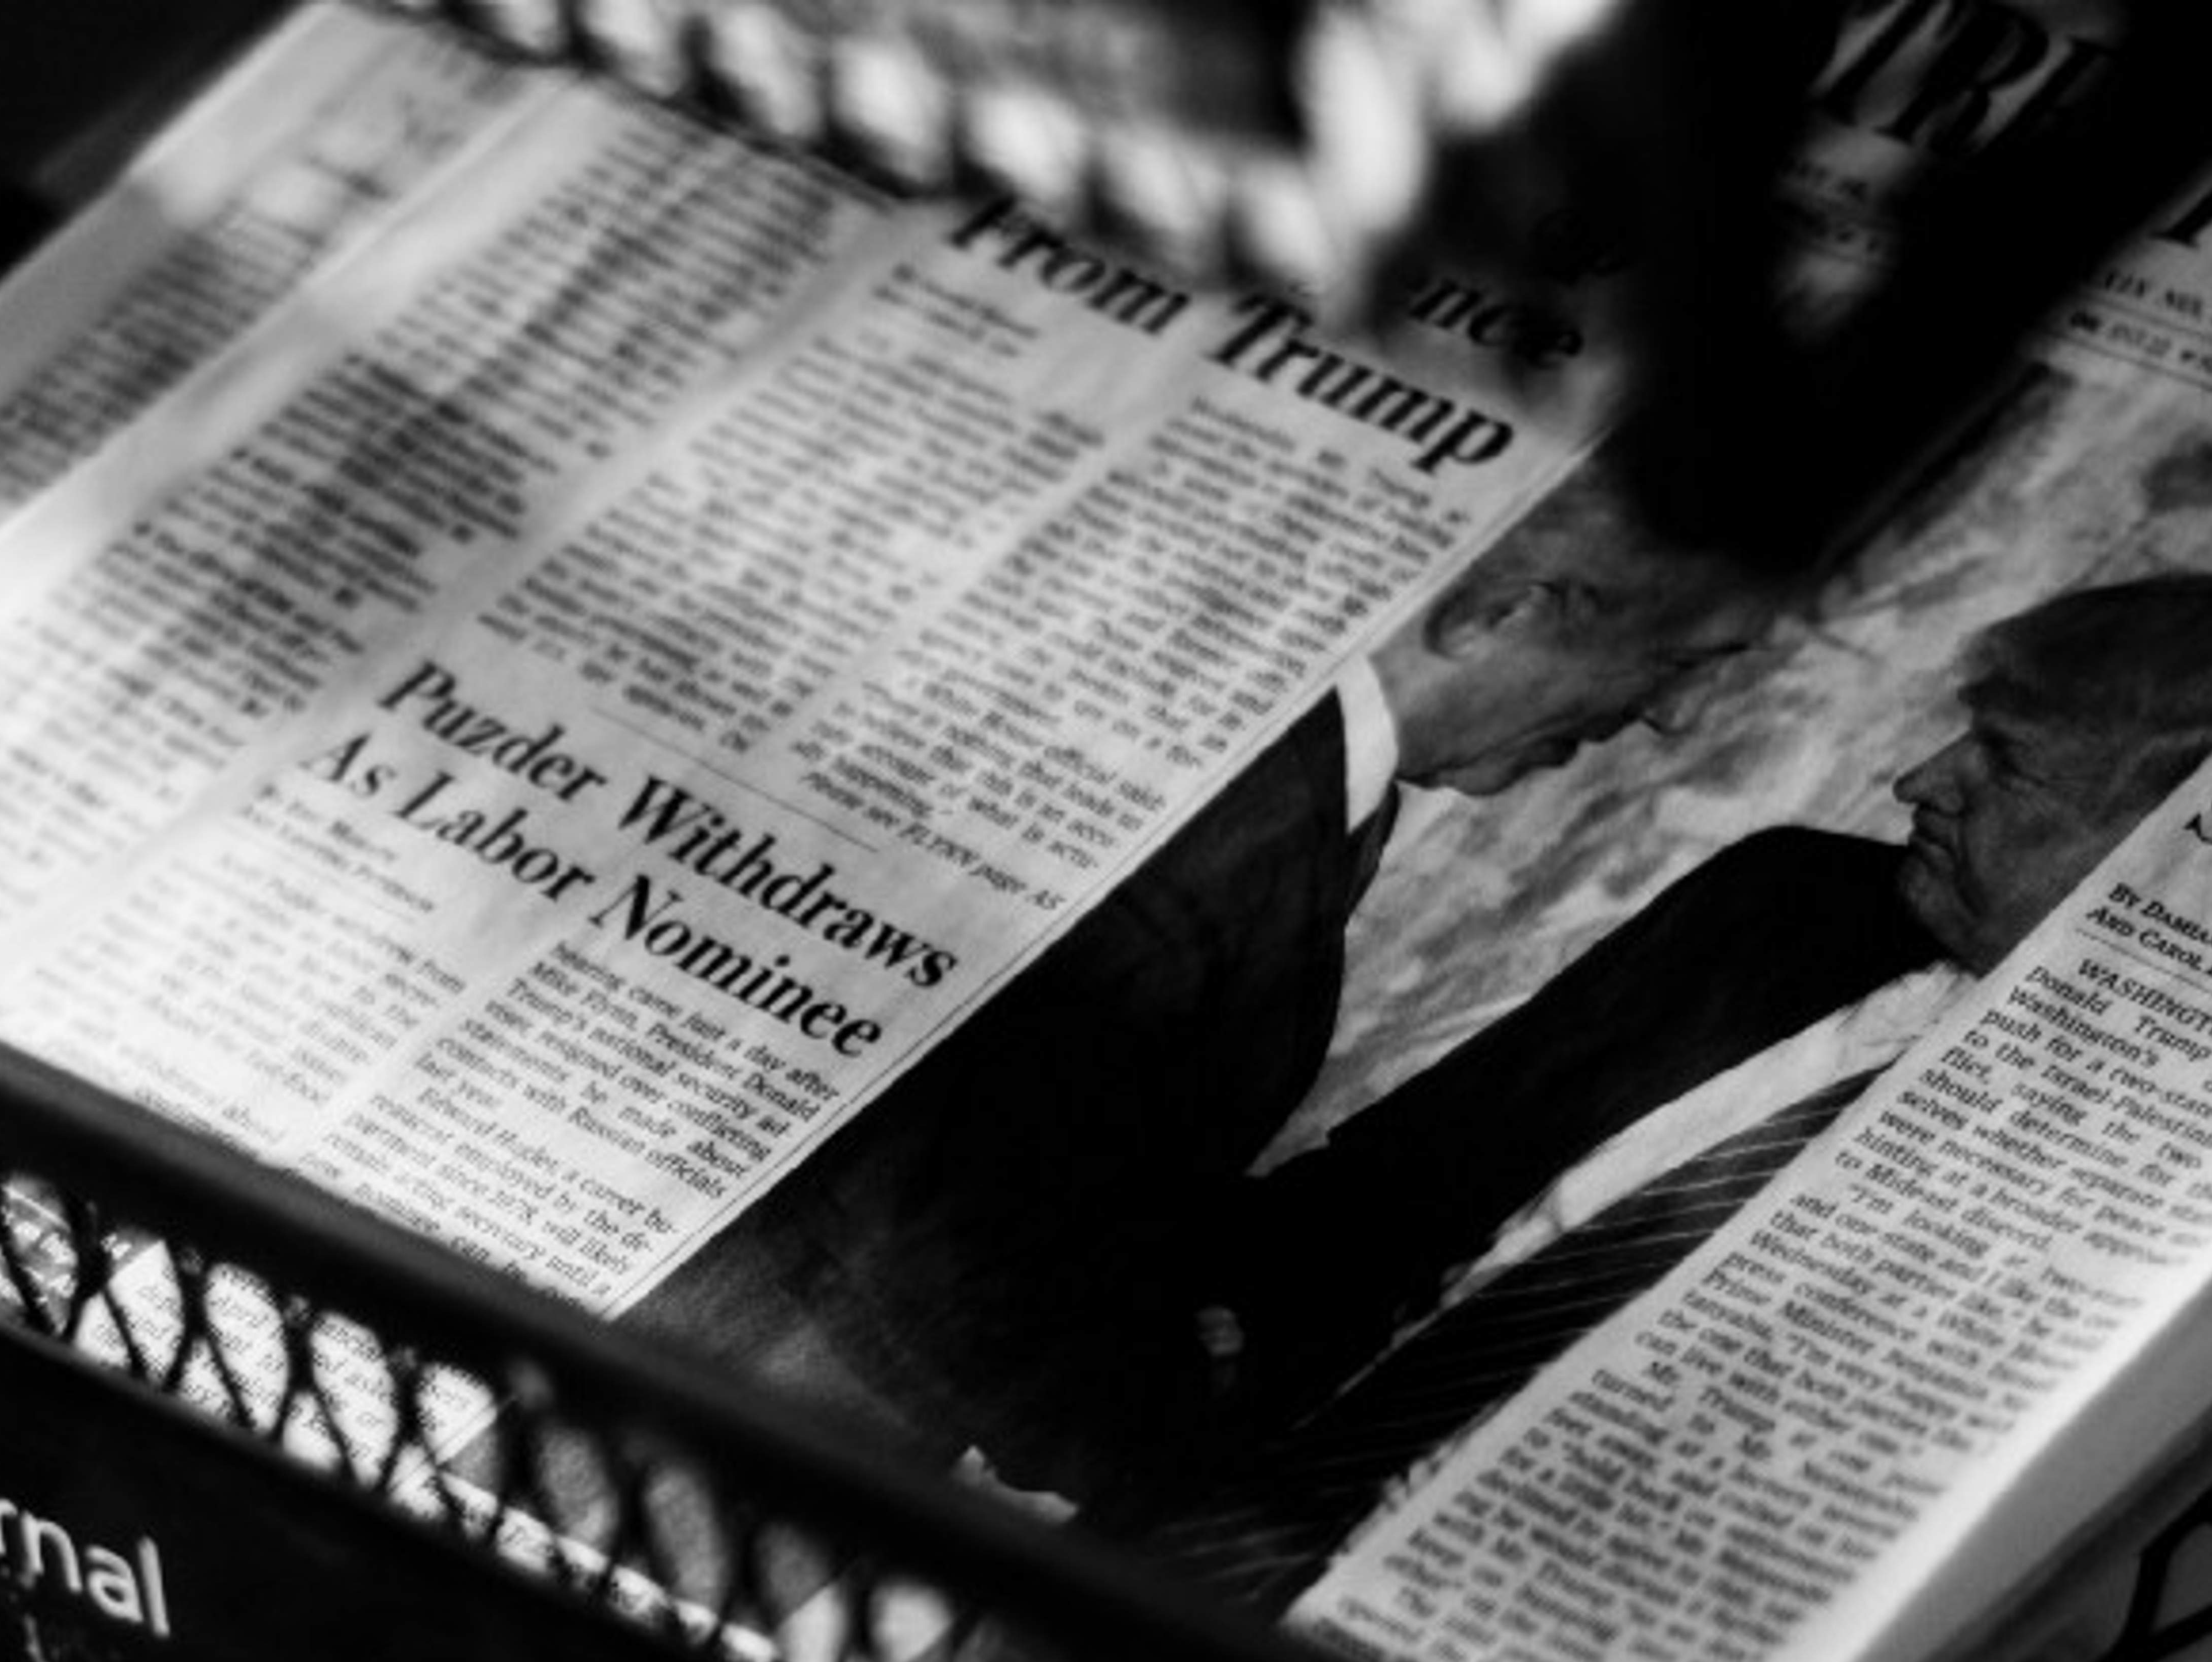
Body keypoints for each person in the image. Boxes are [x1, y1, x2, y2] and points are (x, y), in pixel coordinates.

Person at [628, 462, 1779, 1526]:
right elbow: (923, 1250)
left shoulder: (1293, 763)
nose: (1672, 715)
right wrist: (1169, 1392)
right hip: (729, 1429)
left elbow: (1055, 1145)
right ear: (1500, 612)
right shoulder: (1219, 846)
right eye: (1675, 657)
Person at [1201, 566, 2212, 1475]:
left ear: (2172, 848)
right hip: (1256, 1451)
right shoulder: (1786, 902)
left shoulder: (2154, 1163)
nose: (1917, 782)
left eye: (2006, 760)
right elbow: (1385, 1183)